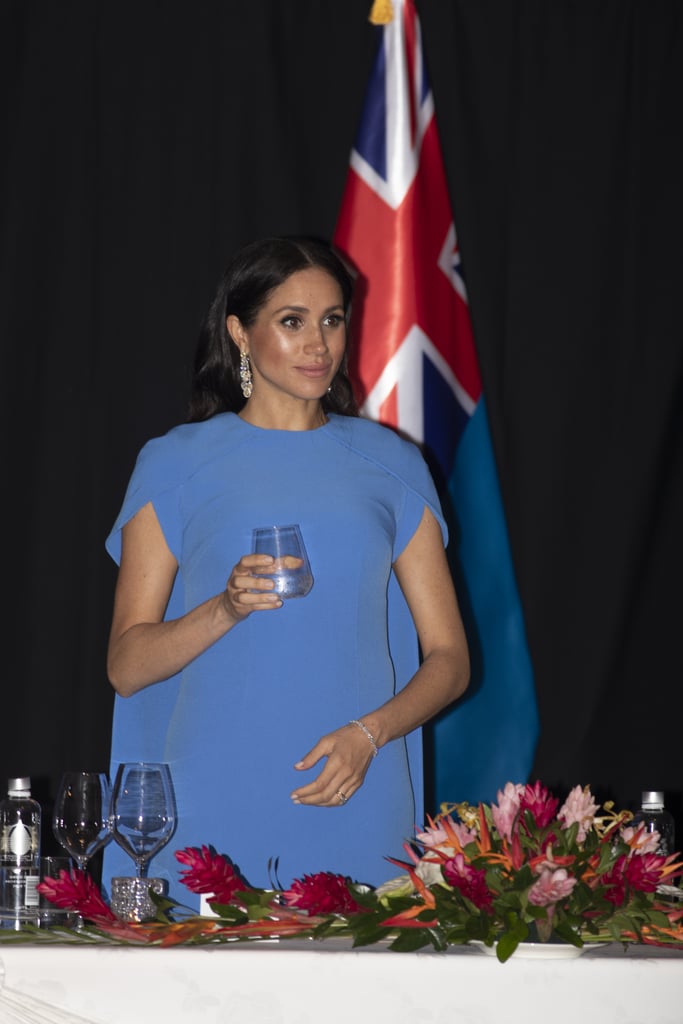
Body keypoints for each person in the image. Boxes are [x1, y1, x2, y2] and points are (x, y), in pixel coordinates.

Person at [103, 236, 470, 907]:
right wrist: (226, 608)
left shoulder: (391, 463)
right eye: (291, 321)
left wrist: (370, 736)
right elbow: (126, 666)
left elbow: (448, 658)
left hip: (355, 787)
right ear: (239, 332)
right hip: (212, 796)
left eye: (331, 320)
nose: (317, 344)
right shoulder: (174, 463)